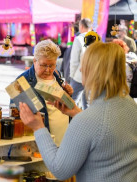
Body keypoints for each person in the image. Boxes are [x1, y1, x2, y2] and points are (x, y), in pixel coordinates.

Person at [19, 42, 137, 181]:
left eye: (84, 65)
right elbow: (104, 131)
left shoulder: (87, 120)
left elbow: (60, 170)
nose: (80, 70)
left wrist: (38, 127)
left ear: (94, 72)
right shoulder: (130, 105)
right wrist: (76, 112)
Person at [14, 39, 73, 146]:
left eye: (52, 65)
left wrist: (67, 96)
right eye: (44, 65)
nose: (48, 70)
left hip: (65, 140)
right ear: (34, 61)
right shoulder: (22, 82)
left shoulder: (57, 74)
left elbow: (64, 106)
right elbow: (18, 118)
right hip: (45, 144)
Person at [69, 18, 91, 109]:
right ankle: (88, 122)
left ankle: (73, 122)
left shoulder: (79, 39)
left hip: (80, 76)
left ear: (81, 27)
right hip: (93, 76)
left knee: (71, 102)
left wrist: (72, 76)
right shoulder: (98, 39)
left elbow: (74, 61)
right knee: (88, 103)